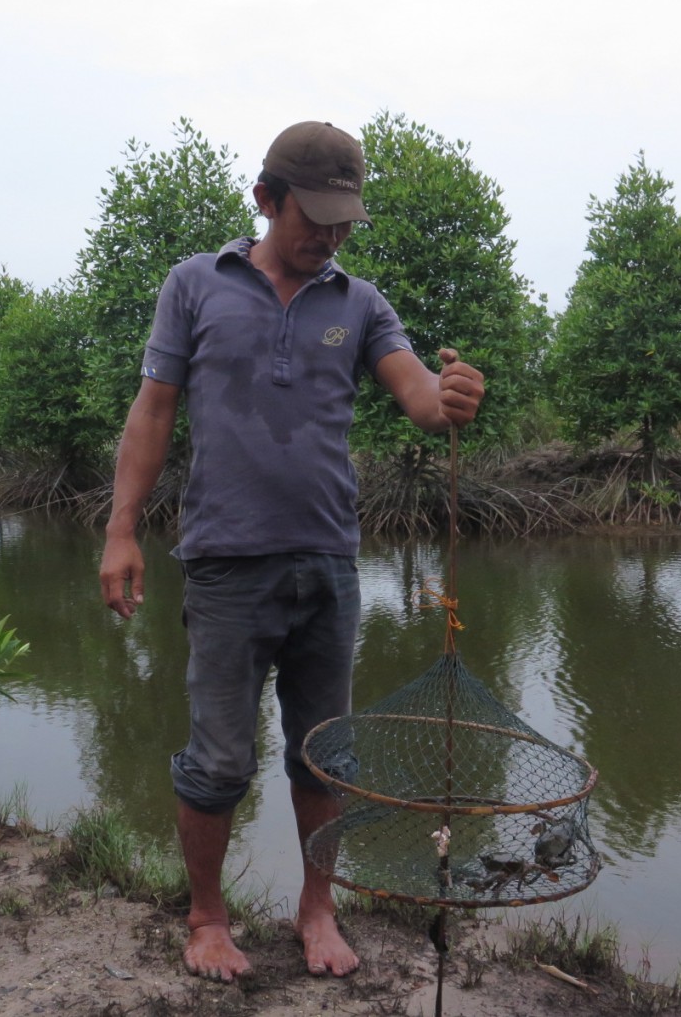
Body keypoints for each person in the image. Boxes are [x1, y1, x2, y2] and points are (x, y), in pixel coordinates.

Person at [99, 120, 485, 983]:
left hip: (328, 565)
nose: (329, 235)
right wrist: (122, 530)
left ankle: (317, 909)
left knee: (325, 752)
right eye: (313, 217)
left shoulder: (362, 303)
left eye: (344, 220)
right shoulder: (195, 285)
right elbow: (152, 412)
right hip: (227, 566)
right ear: (266, 199)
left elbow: (418, 395)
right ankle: (206, 920)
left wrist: (450, 397)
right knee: (220, 759)